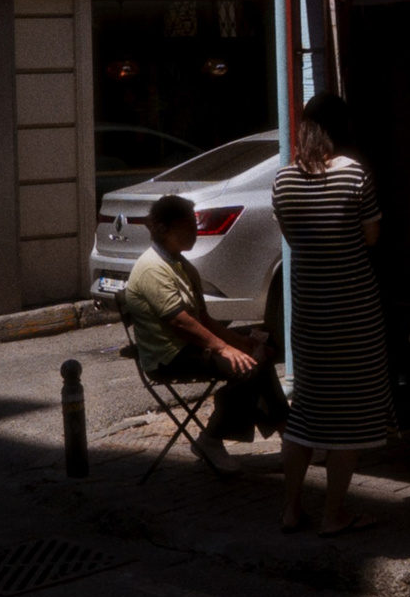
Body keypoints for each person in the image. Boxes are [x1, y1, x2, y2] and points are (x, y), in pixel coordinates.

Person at [272, 93, 389, 535]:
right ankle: (334, 514)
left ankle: (290, 509)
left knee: (304, 413)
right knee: (350, 418)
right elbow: (372, 236)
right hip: (354, 312)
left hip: (306, 313)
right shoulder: (355, 174)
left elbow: (292, 236)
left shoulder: (283, 182)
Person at [121, 194, 286, 471]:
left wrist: (241, 342)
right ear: (166, 228)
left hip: (190, 346)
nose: (195, 232)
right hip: (168, 356)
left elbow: (204, 319)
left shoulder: (182, 265)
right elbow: (180, 322)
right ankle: (211, 439)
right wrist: (224, 349)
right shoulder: (151, 268)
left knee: (258, 355)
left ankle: (289, 434)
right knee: (248, 367)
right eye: (189, 226)